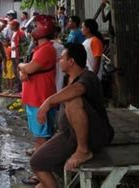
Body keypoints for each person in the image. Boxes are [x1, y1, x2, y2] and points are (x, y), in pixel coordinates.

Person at [30, 43, 114, 187]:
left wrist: (48, 101)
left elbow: (77, 90)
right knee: (36, 163)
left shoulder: (89, 77)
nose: (59, 61)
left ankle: (83, 150)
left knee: (72, 100)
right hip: (69, 133)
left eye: (62, 58)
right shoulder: (66, 78)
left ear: (71, 61)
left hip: (94, 135)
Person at [18, 16, 57, 169]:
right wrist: (24, 70)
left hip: (40, 98)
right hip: (35, 96)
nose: (31, 30)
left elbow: (27, 68)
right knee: (39, 133)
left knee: (42, 134)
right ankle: (39, 155)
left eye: (34, 27)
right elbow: (25, 71)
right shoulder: (39, 48)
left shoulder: (46, 49)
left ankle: (41, 170)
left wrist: (22, 66)